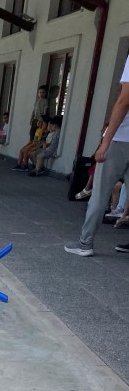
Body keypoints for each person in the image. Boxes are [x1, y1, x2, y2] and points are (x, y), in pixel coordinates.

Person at [65, 54, 129, 256]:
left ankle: (85, 243)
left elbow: (124, 100)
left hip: (121, 139)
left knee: (100, 193)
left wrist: (105, 141)